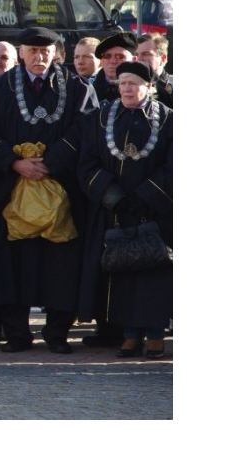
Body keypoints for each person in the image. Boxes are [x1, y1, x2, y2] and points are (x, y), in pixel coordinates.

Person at [0, 27, 89, 355]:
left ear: (55, 53)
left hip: (60, 188)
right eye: (32, 51)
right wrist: (13, 163)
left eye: (45, 51)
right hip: (10, 188)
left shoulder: (76, 88)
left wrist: (52, 161)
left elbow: (84, 129)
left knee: (61, 265)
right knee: (12, 267)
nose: (39, 57)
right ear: (21, 52)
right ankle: (17, 334)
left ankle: (57, 333)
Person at [76, 61, 172, 360]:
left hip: (155, 211)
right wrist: (113, 195)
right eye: (122, 83)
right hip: (112, 210)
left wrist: (146, 196)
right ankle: (128, 335)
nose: (127, 88)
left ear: (149, 86)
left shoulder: (169, 120)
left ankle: (155, 335)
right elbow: (87, 161)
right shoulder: (101, 118)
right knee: (121, 275)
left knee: (153, 274)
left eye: (133, 83)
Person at [91, 31, 138, 105]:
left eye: (120, 56)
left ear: (134, 60)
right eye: (107, 56)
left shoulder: (144, 88)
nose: (113, 61)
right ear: (102, 60)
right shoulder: (88, 88)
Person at [136, 32, 173, 109]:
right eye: (136, 55)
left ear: (163, 59)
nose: (139, 59)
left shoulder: (171, 90)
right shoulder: (128, 86)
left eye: (146, 54)